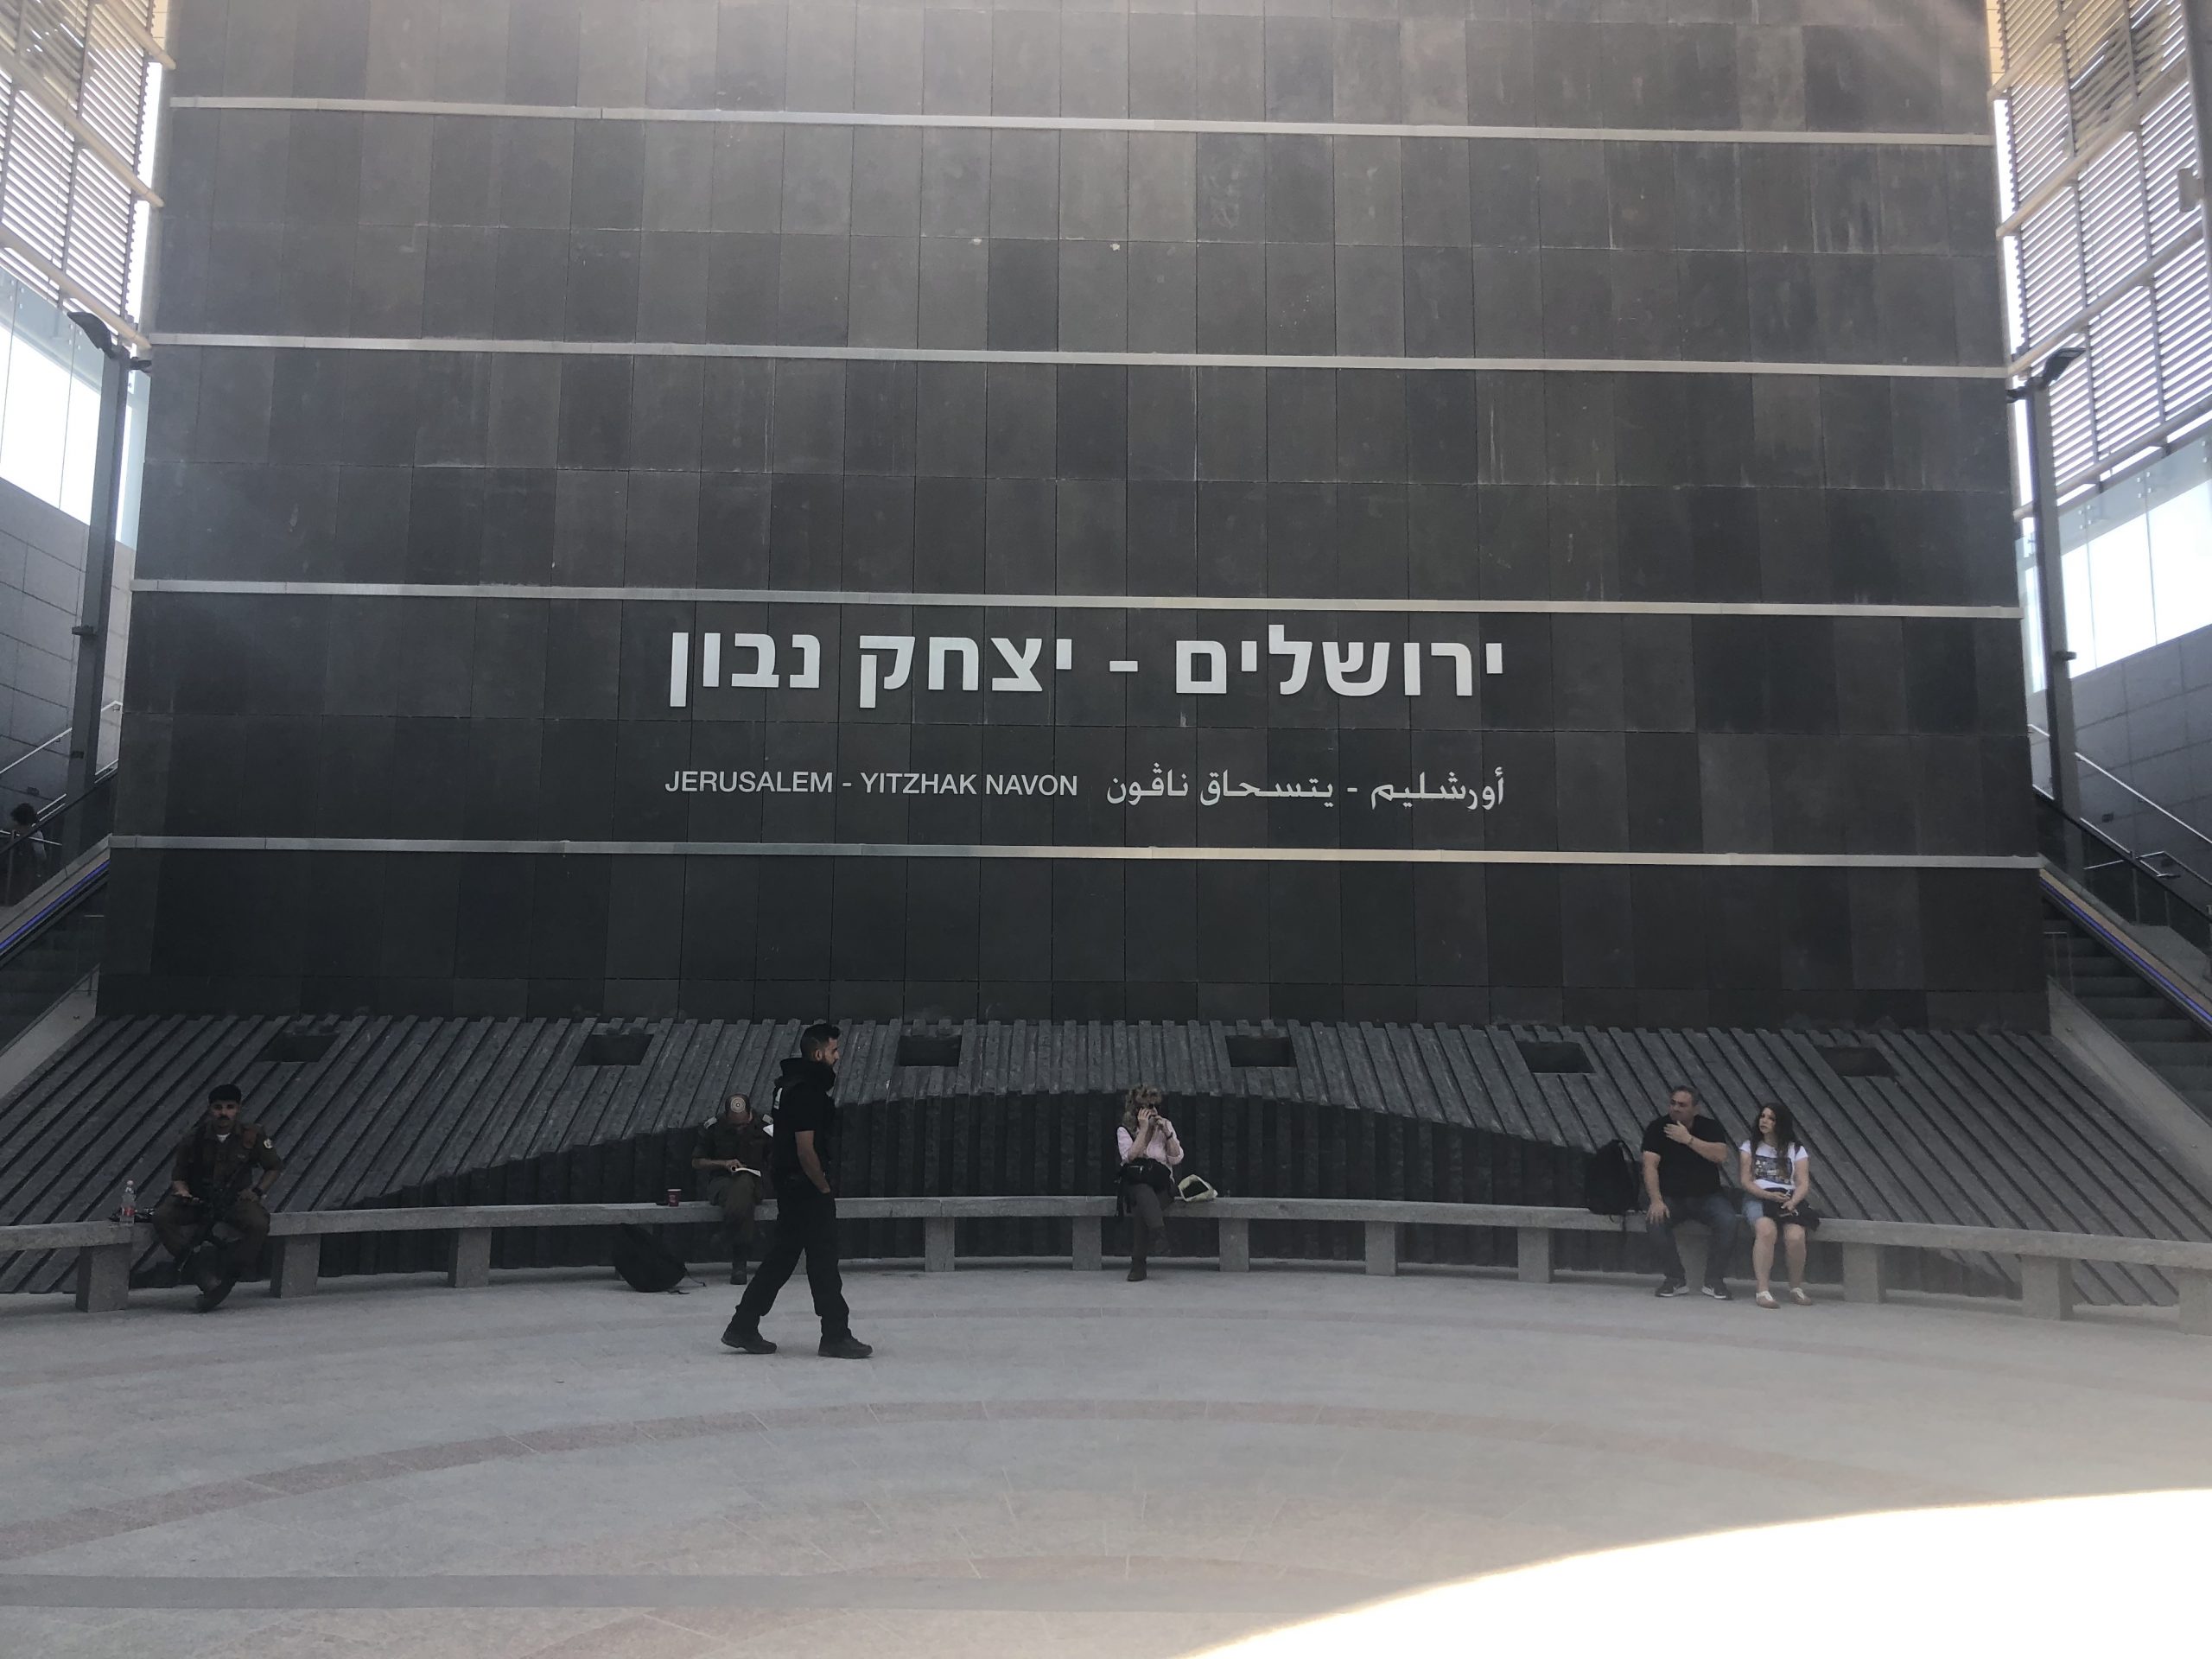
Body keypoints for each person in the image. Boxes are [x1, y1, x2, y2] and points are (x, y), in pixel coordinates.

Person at [721, 1022, 872, 1358]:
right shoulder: (807, 1092)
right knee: (823, 1260)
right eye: (833, 1050)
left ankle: (743, 1325)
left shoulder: (788, 1086)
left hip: (790, 1184)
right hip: (806, 1187)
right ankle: (835, 1334)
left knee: (783, 1256)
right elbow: (806, 1149)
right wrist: (823, 1186)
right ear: (818, 1054)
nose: (838, 1056)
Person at [149, 1083, 284, 1312]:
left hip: (235, 1201)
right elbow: (179, 1176)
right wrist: (182, 1191)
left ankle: (230, 1273)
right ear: (210, 1109)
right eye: (218, 1107)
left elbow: (274, 1167)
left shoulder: (252, 1136)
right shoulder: (194, 1138)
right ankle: (198, 1271)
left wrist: (257, 1191)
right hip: (200, 1200)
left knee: (259, 1224)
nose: (224, 1113)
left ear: (238, 1109)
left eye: (230, 1107)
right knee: (162, 1217)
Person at [1640, 1084, 1739, 1300]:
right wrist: (1656, 1200)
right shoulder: (1657, 1128)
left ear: (1695, 1109)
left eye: (1682, 1105)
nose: (1676, 1108)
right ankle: (1675, 1279)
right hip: (1671, 1197)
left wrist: (1688, 1140)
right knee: (1655, 1222)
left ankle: (1714, 1281)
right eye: (1673, 1103)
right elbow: (1649, 1166)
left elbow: (1721, 1155)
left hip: (1708, 1196)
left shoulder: (1709, 1127)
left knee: (1728, 1221)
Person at [1738, 1103, 1815, 1309]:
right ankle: (1763, 1290)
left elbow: (1803, 1182)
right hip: (1758, 1197)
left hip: (1788, 1198)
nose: (1764, 1121)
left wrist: (1793, 1201)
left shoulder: (1796, 1149)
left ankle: (1796, 1288)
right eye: (1763, 1116)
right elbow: (1745, 1181)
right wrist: (1767, 1195)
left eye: (1771, 1118)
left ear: (1780, 1123)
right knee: (1766, 1231)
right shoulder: (1749, 1146)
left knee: (1795, 1236)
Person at [692, 1091, 772, 1285]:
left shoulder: (766, 1125)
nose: (739, 1129)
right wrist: (724, 1163)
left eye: (743, 1125)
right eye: (734, 1126)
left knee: (745, 1182)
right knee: (743, 1199)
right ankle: (738, 1262)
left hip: (755, 1180)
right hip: (723, 1181)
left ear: (750, 1114)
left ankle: (728, 1236)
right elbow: (697, 1162)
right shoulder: (713, 1127)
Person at [1116, 1084, 1182, 1283]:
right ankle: (1159, 1234)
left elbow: (1176, 1158)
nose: (1153, 1111)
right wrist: (1144, 1130)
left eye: (1155, 1107)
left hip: (1162, 1184)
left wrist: (1167, 1134)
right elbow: (1130, 1157)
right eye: (1148, 1107)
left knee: (1142, 1209)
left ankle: (1138, 1265)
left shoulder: (1166, 1126)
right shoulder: (1125, 1130)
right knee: (1143, 1195)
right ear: (1137, 1110)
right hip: (1137, 1182)